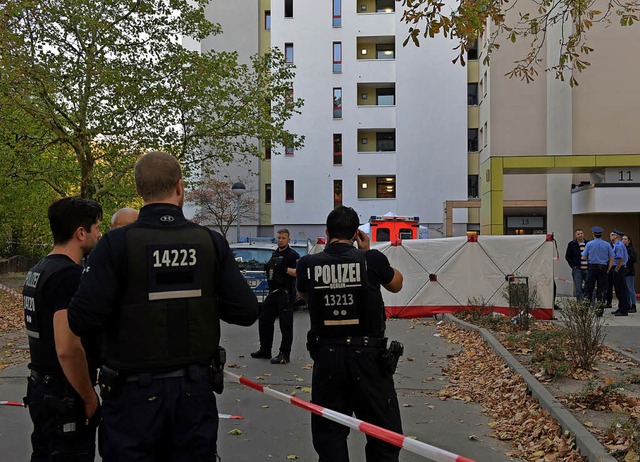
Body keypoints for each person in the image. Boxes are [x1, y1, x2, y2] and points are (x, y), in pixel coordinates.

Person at [57, 151, 259, 461]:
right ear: (180, 188)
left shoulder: (115, 244)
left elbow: (82, 320)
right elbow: (245, 312)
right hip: (193, 393)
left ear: (139, 191)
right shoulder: (210, 241)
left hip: (131, 398)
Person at [296, 205, 404, 462]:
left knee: (329, 435)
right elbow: (397, 284)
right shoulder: (371, 260)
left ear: (326, 232)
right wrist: (366, 254)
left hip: (327, 357)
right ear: (356, 233)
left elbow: (304, 294)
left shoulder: (307, 264)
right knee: (383, 434)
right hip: (369, 358)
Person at [22, 197, 103, 461]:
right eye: (97, 228)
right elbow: (67, 347)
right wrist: (89, 397)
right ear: (81, 232)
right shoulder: (69, 276)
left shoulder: (38, 270)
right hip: (64, 396)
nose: (99, 234)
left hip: (40, 388)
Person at [251, 229, 300, 364]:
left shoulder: (292, 255)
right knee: (264, 320)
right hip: (273, 291)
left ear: (288, 239)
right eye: (278, 238)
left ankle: (284, 354)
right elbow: (272, 270)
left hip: (285, 292)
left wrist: (283, 269)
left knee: (285, 325)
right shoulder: (275, 253)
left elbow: (298, 272)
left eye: (283, 238)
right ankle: (265, 350)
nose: (280, 240)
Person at [581, 225, 614, 316]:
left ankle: (585, 309)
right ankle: (599, 311)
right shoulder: (607, 244)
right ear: (601, 234)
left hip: (592, 267)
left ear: (593, 234)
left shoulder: (589, 244)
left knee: (588, 289)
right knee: (601, 289)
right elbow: (611, 258)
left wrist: (589, 260)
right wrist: (608, 268)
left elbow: (583, 256)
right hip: (603, 267)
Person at [565, 228, 589, 301]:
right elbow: (568, 256)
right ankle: (580, 304)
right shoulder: (572, 244)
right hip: (577, 269)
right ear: (576, 235)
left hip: (588, 269)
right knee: (578, 288)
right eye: (578, 234)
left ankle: (589, 303)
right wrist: (573, 266)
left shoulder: (588, 243)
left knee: (589, 287)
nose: (580, 235)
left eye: (581, 234)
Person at [610, 229, 630, 316]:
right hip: (620, 268)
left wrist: (617, 269)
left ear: (617, 236)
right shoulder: (617, 245)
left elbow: (620, 258)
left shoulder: (619, 245)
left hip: (619, 268)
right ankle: (620, 308)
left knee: (621, 290)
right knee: (619, 290)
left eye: (612, 234)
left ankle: (623, 310)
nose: (611, 236)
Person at [622, 235, 636, 313]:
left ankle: (633, 305)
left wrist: (627, 258)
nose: (623, 240)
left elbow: (634, 259)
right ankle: (628, 304)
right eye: (623, 239)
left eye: (625, 239)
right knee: (626, 289)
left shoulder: (630, 249)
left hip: (629, 272)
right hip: (625, 271)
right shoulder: (624, 249)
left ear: (629, 241)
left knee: (631, 289)